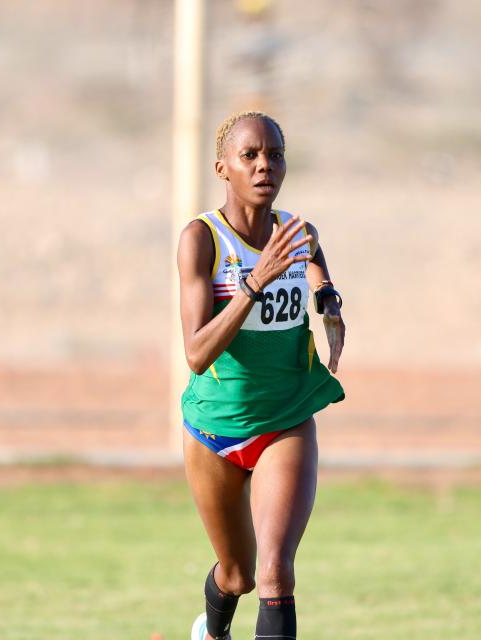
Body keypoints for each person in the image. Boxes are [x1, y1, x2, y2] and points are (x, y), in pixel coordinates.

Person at [177, 111, 345, 640]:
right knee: (239, 575)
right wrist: (254, 282)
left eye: (274, 154)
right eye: (249, 155)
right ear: (223, 168)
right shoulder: (202, 239)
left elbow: (313, 254)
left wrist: (328, 300)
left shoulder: (297, 231)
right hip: (214, 430)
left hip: (285, 418)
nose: (263, 165)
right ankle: (213, 631)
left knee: (275, 571)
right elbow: (197, 353)